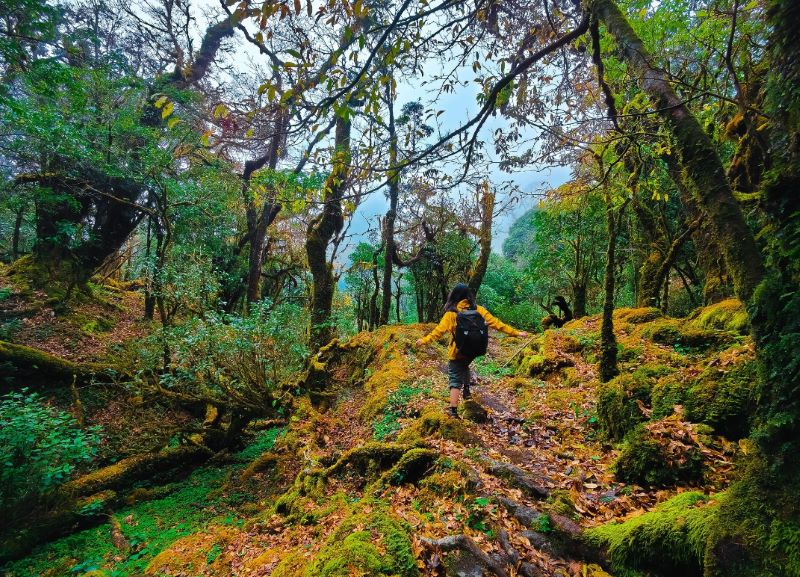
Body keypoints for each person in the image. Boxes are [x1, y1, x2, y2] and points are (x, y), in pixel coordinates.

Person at [414, 283, 528, 418]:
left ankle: (453, 411)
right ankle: (466, 390)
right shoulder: (479, 310)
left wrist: (424, 340)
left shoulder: (451, 314)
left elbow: (438, 332)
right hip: (474, 350)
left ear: (454, 296)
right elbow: (497, 323)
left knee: (454, 379)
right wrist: (516, 333)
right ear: (468, 296)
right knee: (465, 365)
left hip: (457, 352)